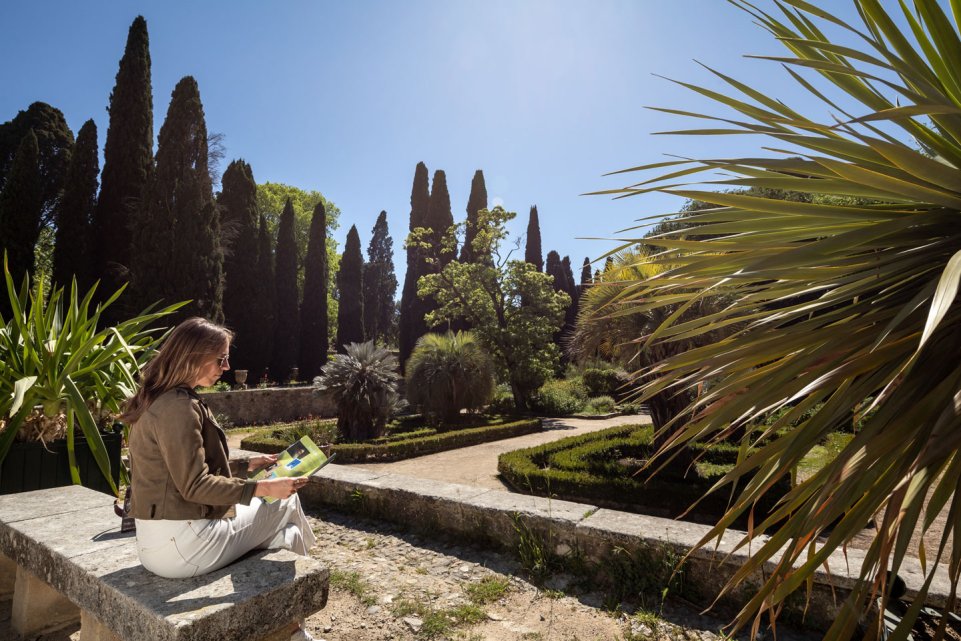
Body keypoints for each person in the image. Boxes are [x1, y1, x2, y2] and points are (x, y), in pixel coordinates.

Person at [123, 317, 318, 641]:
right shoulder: (179, 407)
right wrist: (264, 487)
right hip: (183, 546)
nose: (226, 367)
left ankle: (288, 616)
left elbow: (182, 466)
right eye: (221, 358)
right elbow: (195, 485)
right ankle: (291, 628)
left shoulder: (158, 398)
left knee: (286, 531)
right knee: (288, 500)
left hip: (154, 542)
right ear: (194, 356)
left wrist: (249, 465)